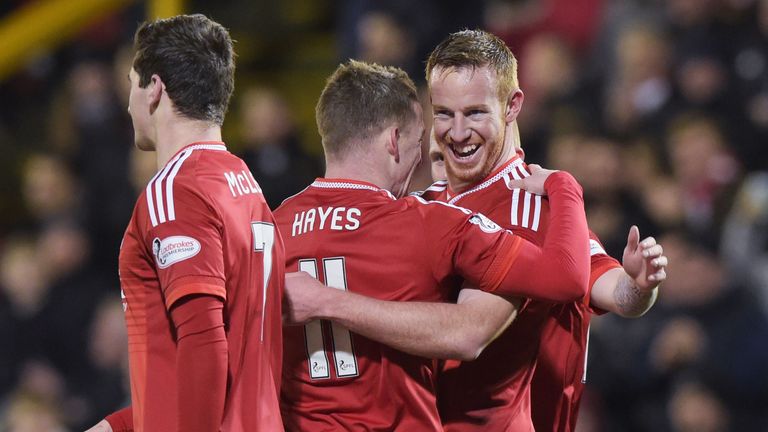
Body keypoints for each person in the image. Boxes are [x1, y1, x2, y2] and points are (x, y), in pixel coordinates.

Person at [276, 59, 592, 431]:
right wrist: (565, 186)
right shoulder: (431, 223)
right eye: (419, 139)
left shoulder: (269, 229)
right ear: (394, 140)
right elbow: (565, 278)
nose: (425, 156)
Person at [421, 30, 667, 431]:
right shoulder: (421, 205)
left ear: (512, 105)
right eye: (445, 113)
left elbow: (618, 294)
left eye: (476, 113)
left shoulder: (540, 206)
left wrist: (641, 285)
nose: (459, 132)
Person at [86, 14, 285, 432]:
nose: (127, 104)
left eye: (130, 84)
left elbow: (204, 342)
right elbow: (215, 373)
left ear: (154, 88)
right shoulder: (244, 185)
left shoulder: (175, 190)